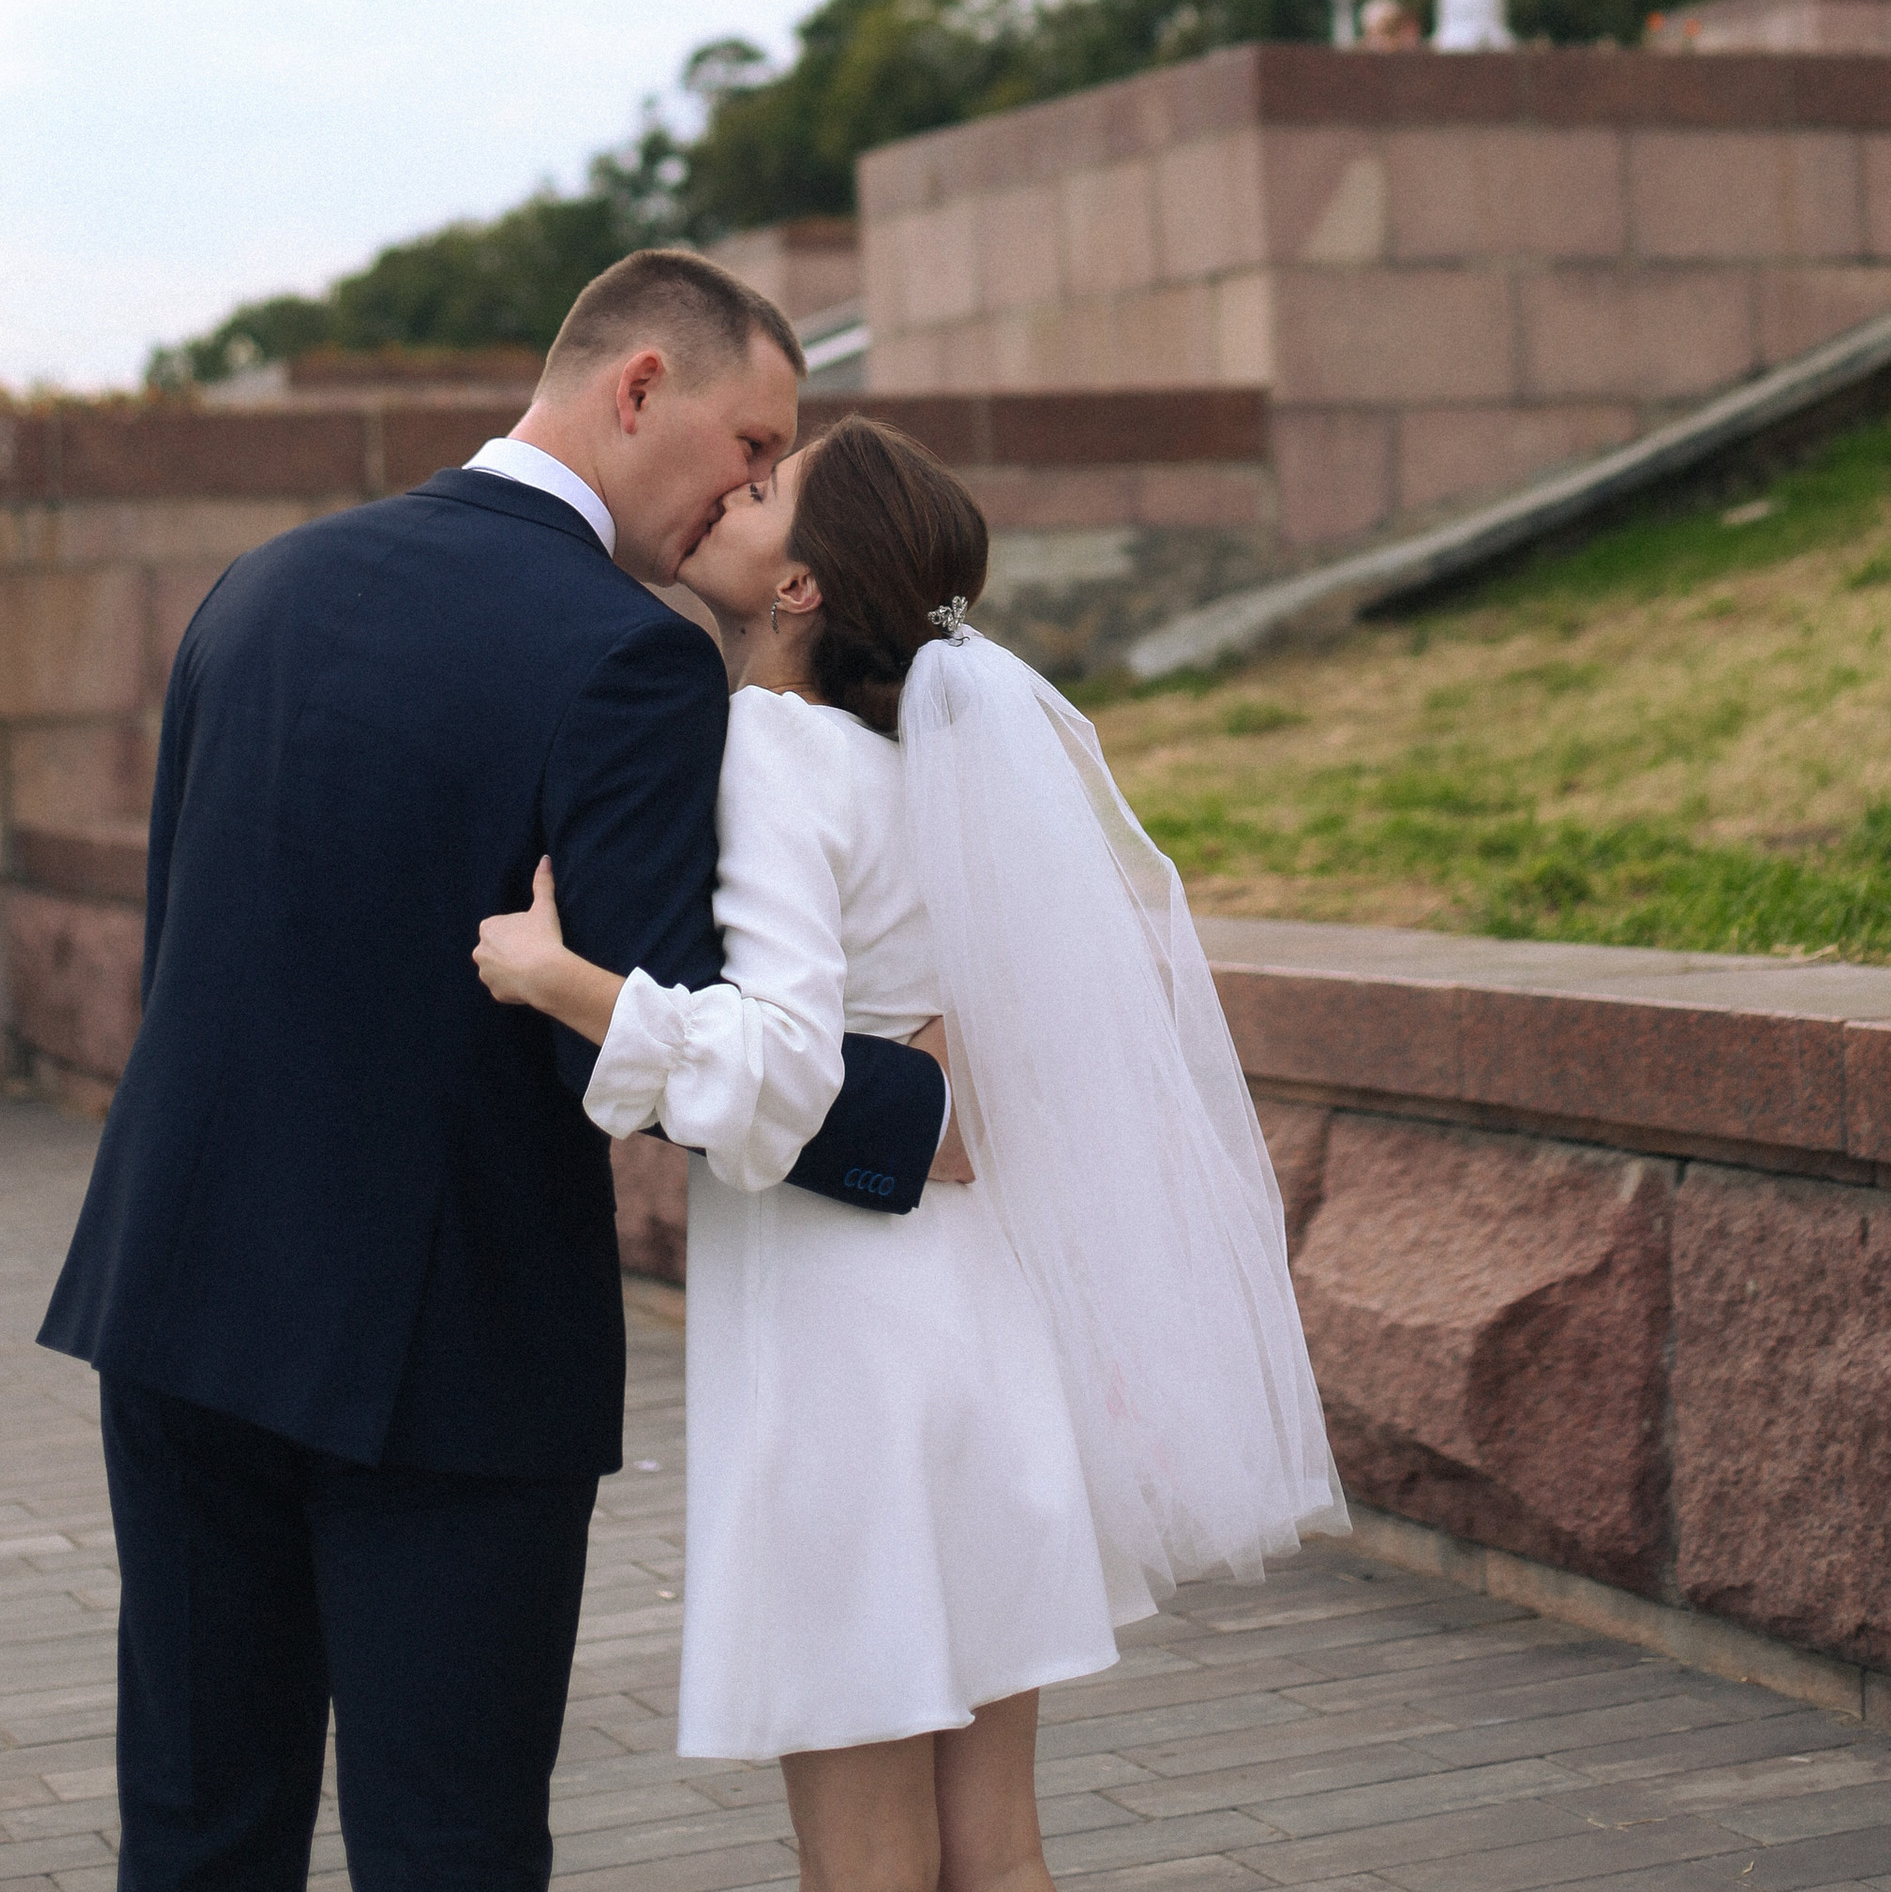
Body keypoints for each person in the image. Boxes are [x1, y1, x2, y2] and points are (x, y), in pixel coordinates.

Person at [39, 252, 954, 1892]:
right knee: (447, 1850)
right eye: (752, 442)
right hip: (442, 1359)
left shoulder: (259, 585)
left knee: (193, 1834)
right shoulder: (627, 657)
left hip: (174, 1310)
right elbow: (662, 1028)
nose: (759, 487)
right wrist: (924, 1107)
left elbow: (189, 946)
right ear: (639, 390)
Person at [475, 412, 1344, 1892]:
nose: (730, 496)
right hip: (986, 1337)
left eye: (764, 491)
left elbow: (788, 1057)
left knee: (867, 1866)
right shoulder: (933, 774)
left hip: (849, 1366)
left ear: (802, 587)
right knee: (995, 1853)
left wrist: (563, 983)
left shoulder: (776, 744)